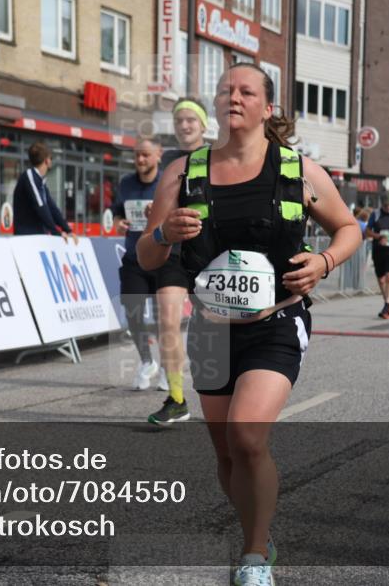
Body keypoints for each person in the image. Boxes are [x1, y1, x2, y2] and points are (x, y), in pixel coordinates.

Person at [138, 63, 360, 585]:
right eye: (225, 91)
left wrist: (324, 262)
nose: (232, 97)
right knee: (225, 451)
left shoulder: (297, 170)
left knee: (247, 434)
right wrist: (166, 233)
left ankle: (255, 557)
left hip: (276, 320)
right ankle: (257, 531)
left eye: (245, 91)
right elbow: (147, 256)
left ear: (267, 107)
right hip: (212, 328)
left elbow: (349, 227)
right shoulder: (181, 173)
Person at [145, 97, 210, 422]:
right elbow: (160, 202)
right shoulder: (168, 160)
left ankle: (235, 392)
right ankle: (177, 397)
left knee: (219, 326)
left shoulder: (216, 157)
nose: (185, 125)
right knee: (167, 320)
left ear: (203, 125)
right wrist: (154, 213)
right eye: (179, 120)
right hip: (173, 250)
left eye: (191, 120)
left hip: (210, 251)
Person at [111, 138, 164, 389]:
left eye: (145, 155)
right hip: (134, 258)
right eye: (137, 156)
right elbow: (118, 212)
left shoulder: (167, 183)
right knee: (132, 310)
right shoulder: (126, 183)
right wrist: (119, 222)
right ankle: (147, 361)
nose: (140, 160)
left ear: (158, 155)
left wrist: (159, 215)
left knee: (165, 318)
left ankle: (167, 367)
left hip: (163, 258)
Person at [12, 141, 77, 243]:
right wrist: (56, 232)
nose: (51, 161)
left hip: (38, 236)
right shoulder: (30, 176)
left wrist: (67, 230)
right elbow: (41, 207)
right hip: (27, 238)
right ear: (47, 160)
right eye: (51, 158)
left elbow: (52, 208)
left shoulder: (40, 181)